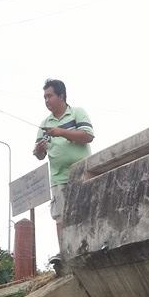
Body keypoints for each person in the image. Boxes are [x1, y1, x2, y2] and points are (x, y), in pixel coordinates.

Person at [33, 79, 94, 247]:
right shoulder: (44, 124)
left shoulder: (77, 113)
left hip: (82, 172)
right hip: (58, 178)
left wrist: (61, 132)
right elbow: (39, 155)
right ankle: (65, 253)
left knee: (85, 212)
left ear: (61, 96)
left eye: (49, 96)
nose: (46, 100)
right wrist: (39, 149)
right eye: (44, 97)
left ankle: (88, 248)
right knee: (60, 217)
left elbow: (88, 136)